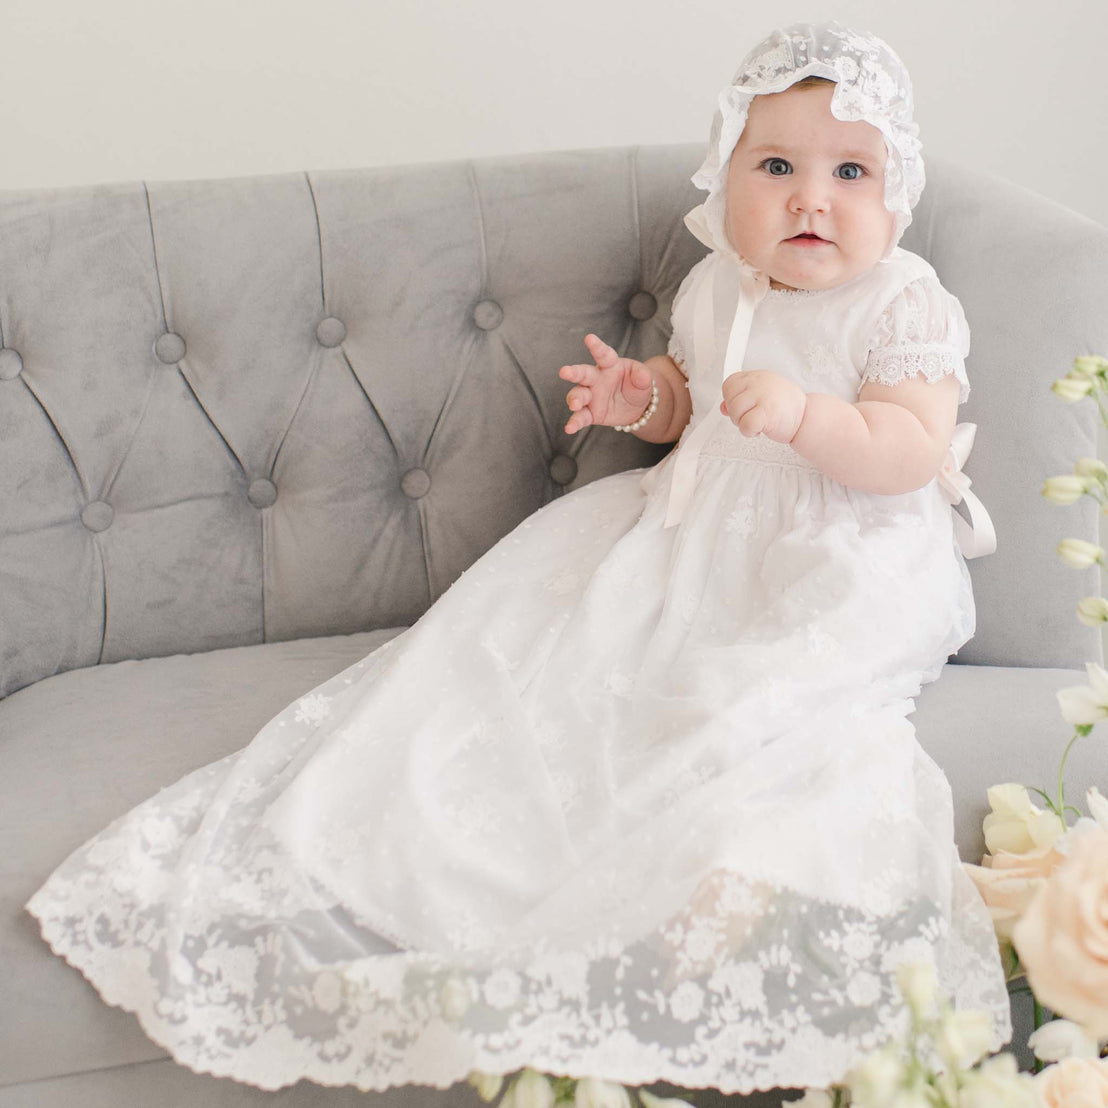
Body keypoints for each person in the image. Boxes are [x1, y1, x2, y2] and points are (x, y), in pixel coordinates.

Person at [27, 21, 1010, 1098]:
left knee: (745, 701)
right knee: (542, 658)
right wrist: (647, 399)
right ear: (725, 172)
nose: (809, 199)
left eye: (849, 172)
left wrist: (811, 415)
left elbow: (906, 453)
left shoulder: (901, 300)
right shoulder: (717, 287)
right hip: (698, 532)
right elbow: (693, 408)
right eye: (774, 166)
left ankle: (684, 894)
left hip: (832, 549)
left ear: (898, 189)